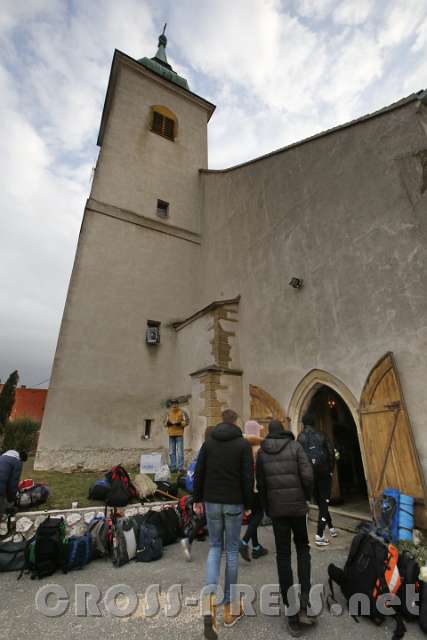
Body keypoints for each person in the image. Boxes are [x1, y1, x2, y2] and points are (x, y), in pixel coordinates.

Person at [193, 409, 253, 638]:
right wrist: (249, 503)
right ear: (236, 422)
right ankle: (229, 610)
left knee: (215, 548)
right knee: (232, 551)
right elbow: (248, 476)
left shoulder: (209, 443)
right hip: (234, 502)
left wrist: (197, 498)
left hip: (211, 501)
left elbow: (199, 471)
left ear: (220, 422)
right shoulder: (242, 444)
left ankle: (209, 605)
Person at [256, 420, 314, 637]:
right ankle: (306, 601)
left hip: (278, 511)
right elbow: (308, 476)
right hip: (298, 509)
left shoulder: (262, 453)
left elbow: (260, 484)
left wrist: (267, 508)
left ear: (269, 434)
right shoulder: (296, 447)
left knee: (283, 556)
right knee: (303, 549)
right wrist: (305, 497)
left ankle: (292, 615)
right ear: (284, 431)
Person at [297, 411, 337, 546]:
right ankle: (320, 534)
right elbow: (331, 452)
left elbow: (299, 458)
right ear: (314, 422)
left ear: (303, 423)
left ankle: (331, 528)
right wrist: (331, 470)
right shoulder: (321, 435)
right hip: (323, 472)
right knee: (324, 501)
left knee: (320, 501)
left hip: (309, 474)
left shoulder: (300, 437)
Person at [239, 420, 268, 561]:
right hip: (257, 486)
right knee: (259, 514)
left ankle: (256, 547)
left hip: (245, 486)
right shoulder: (259, 448)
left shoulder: (241, 445)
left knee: (252, 516)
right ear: (256, 431)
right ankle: (244, 542)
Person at [0, 449, 28, 518]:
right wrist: (12, 499)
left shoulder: (2, 457)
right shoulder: (17, 462)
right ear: (21, 459)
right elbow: (13, 484)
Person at [164, 400, 189, 473]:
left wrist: (181, 423)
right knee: (172, 451)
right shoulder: (168, 413)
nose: (174, 406)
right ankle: (173, 467)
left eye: (175, 404)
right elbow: (164, 423)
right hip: (171, 434)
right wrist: (167, 424)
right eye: (173, 404)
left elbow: (187, 421)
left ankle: (180, 468)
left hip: (179, 434)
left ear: (178, 404)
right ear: (171, 405)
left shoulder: (183, 412)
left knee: (180, 451)